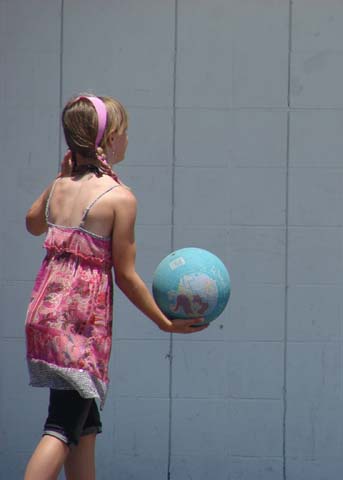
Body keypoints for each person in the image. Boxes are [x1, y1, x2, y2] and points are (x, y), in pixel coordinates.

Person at [23, 94, 207, 480]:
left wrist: (59, 176)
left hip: (46, 317)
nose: (127, 140)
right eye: (123, 132)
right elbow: (126, 275)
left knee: (84, 427)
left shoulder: (60, 187)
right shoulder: (120, 198)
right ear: (107, 140)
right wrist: (164, 322)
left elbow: (32, 223)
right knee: (61, 426)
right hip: (79, 327)